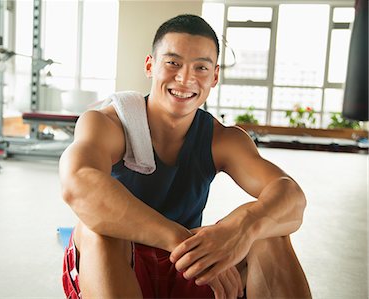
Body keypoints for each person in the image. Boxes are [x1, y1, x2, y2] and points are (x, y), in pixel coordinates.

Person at [59, 14, 311, 299]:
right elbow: (78, 184)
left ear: (214, 76)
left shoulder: (222, 139)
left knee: (268, 234)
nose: (185, 78)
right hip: (121, 265)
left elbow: (291, 198)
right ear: (150, 66)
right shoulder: (108, 123)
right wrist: (181, 241)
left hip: (188, 269)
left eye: (200, 68)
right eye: (172, 63)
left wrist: (242, 227)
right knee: (98, 230)